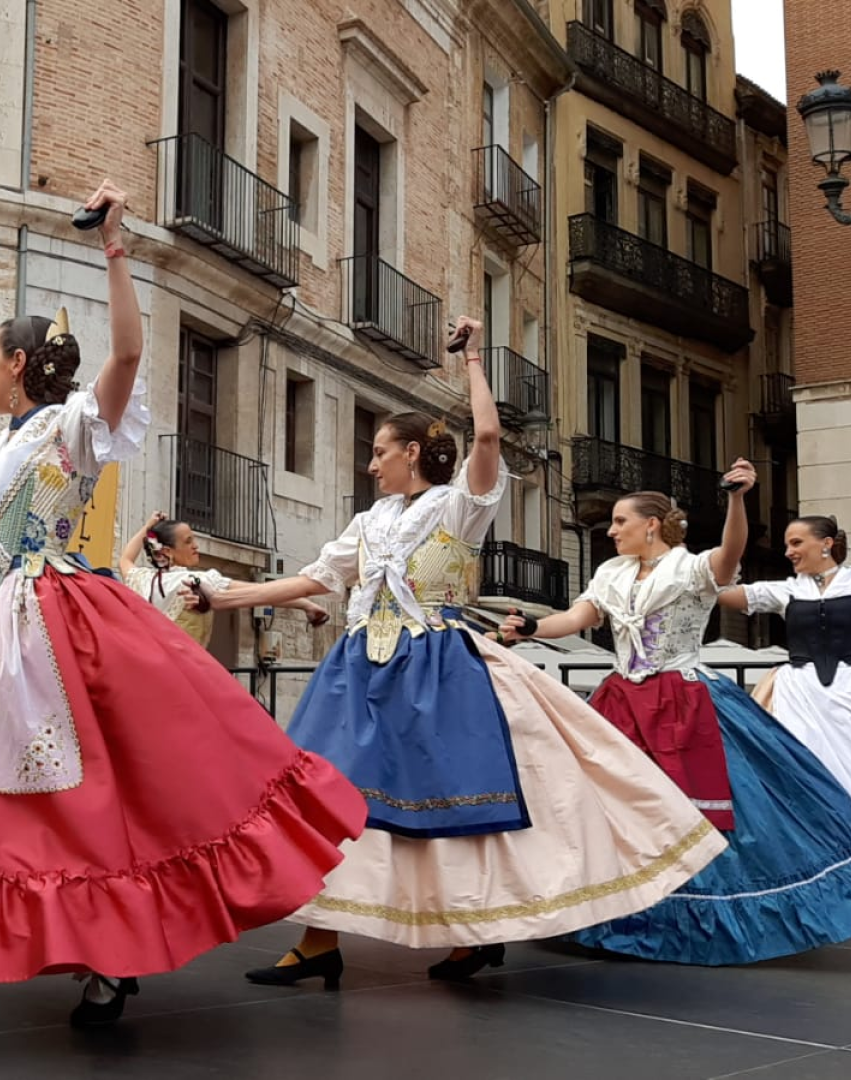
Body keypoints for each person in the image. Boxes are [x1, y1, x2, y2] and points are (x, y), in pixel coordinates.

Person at [0, 179, 366, 1047]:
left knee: (78, 801)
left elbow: (126, 358)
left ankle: (80, 960)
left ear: (18, 364)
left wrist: (116, 249)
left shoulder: (74, 430)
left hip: (48, 627)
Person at [199, 320, 725, 989]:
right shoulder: (370, 521)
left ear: (413, 453)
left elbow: (484, 437)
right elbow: (314, 580)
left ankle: (461, 937)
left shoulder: (458, 508)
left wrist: (473, 358)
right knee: (329, 798)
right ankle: (319, 938)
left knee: (446, 808)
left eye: (379, 451)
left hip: (436, 670)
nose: (370, 463)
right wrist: (224, 599)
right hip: (358, 669)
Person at [502, 482, 851, 963]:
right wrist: (531, 627)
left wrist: (737, 501)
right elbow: (576, 618)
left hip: (683, 698)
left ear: (650, 525)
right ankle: (609, 912)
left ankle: (687, 919)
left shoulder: (690, 568)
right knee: (602, 803)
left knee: (705, 807)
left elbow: (731, 552)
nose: (611, 531)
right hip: (622, 700)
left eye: (620, 522)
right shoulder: (611, 573)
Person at [718, 516, 851, 889]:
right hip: (800, 694)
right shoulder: (788, 590)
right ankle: (819, 870)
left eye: (796, 543)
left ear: (825, 544)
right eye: (788, 544)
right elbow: (724, 592)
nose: (788, 551)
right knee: (805, 770)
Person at [118, 511, 328, 650]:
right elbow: (260, 592)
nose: (196, 546)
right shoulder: (197, 580)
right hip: (186, 672)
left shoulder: (141, 579)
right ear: (167, 551)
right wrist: (305, 603)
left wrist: (148, 526)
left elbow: (125, 558)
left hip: (146, 668)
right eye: (188, 541)